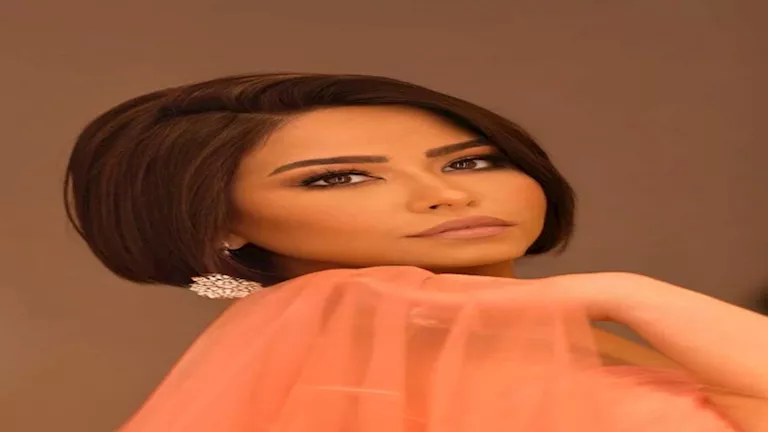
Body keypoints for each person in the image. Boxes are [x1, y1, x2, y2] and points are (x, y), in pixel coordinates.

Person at [64, 73, 767, 430]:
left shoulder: (551, 325)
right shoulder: (336, 344)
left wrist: (621, 297)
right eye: (338, 178)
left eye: (471, 162)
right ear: (222, 224)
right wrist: (623, 292)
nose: (444, 194)